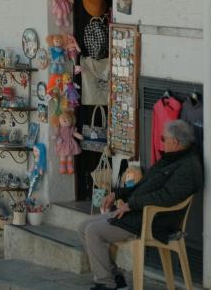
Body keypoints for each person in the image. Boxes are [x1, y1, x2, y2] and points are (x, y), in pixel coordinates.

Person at [77, 120, 202, 290]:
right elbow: (142, 186)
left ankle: (106, 283)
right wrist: (117, 194)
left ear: (175, 142)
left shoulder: (188, 167)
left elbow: (166, 197)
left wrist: (131, 204)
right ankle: (114, 278)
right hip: (137, 213)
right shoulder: (170, 159)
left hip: (153, 220)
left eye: (163, 139)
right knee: (83, 226)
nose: (161, 142)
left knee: (93, 231)